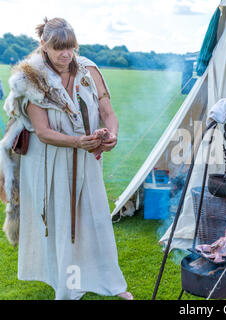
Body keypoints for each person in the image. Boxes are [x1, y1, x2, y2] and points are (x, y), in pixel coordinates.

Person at [0, 17, 133, 300]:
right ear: (43, 46)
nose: (65, 54)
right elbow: (43, 132)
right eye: (58, 48)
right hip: (49, 163)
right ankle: (67, 285)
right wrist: (77, 142)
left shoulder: (89, 70)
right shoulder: (31, 78)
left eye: (70, 47)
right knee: (61, 224)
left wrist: (112, 135)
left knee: (95, 219)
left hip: (87, 159)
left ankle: (109, 281)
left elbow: (108, 111)